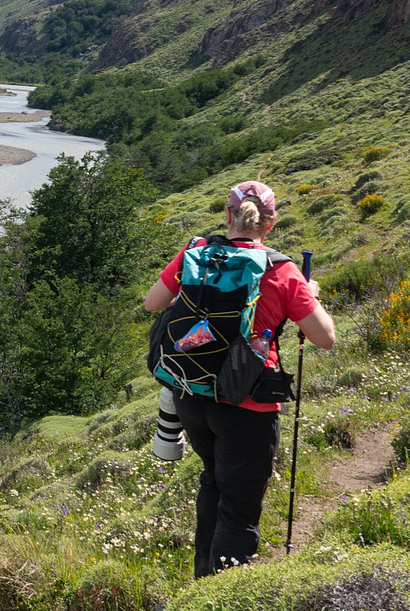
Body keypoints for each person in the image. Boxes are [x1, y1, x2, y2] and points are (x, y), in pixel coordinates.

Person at [142, 180, 335, 577]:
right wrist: (309, 295)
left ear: (228, 215)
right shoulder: (282, 271)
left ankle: (201, 585)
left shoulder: (195, 252)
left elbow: (152, 303)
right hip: (247, 401)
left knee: (213, 482)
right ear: (271, 223)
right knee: (239, 506)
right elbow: (325, 338)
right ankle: (220, 603)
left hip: (191, 393)